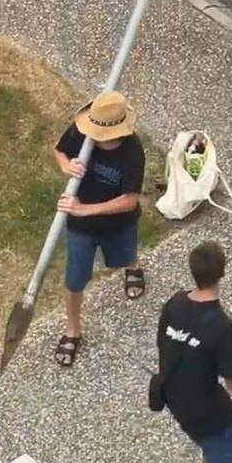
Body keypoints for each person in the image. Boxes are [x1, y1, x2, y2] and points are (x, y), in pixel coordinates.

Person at [151, 241, 232, 463]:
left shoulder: (174, 303)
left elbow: (163, 344)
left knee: (210, 449)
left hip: (177, 400)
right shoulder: (221, 325)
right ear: (222, 272)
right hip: (208, 409)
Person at [53, 90, 146, 367]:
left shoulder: (132, 152)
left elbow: (129, 201)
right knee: (74, 279)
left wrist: (85, 209)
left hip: (118, 223)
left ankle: (133, 269)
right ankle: (73, 329)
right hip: (80, 228)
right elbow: (58, 150)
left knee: (125, 255)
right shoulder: (82, 133)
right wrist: (66, 166)